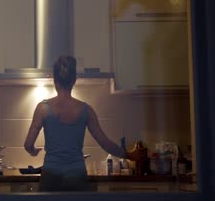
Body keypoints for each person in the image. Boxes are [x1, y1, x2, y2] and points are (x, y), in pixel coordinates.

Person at [24, 55, 142, 192]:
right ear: (74, 80)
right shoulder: (86, 110)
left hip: (50, 175)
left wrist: (33, 151)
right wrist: (129, 155)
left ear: (54, 80)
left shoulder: (42, 108)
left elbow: (27, 144)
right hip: (76, 176)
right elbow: (105, 143)